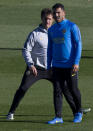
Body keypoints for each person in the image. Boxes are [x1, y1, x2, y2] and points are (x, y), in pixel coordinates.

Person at [7, 7, 90, 120]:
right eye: (45, 19)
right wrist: (30, 64)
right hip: (36, 68)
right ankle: (11, 112)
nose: (48, 21)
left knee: (65, 89)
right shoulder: (35, 34)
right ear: (42, 19)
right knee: (23, 88)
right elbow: (26, 50)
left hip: (52, 68)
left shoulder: (56, 30)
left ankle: (77, 110)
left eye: (50, 19)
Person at [47, 3, 83, 124]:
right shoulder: (51, 29)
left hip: (70, 66)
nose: (56, 15)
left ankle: (79, 112)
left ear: (64, 12)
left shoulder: (72, 26)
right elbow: (50, 48)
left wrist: (76, 62)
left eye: (58, 12)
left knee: (73, 89)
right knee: (57, 90)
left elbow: (78, 45)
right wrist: (49, 65)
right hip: (57, 66)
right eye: (54, 13)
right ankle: (58, 117)